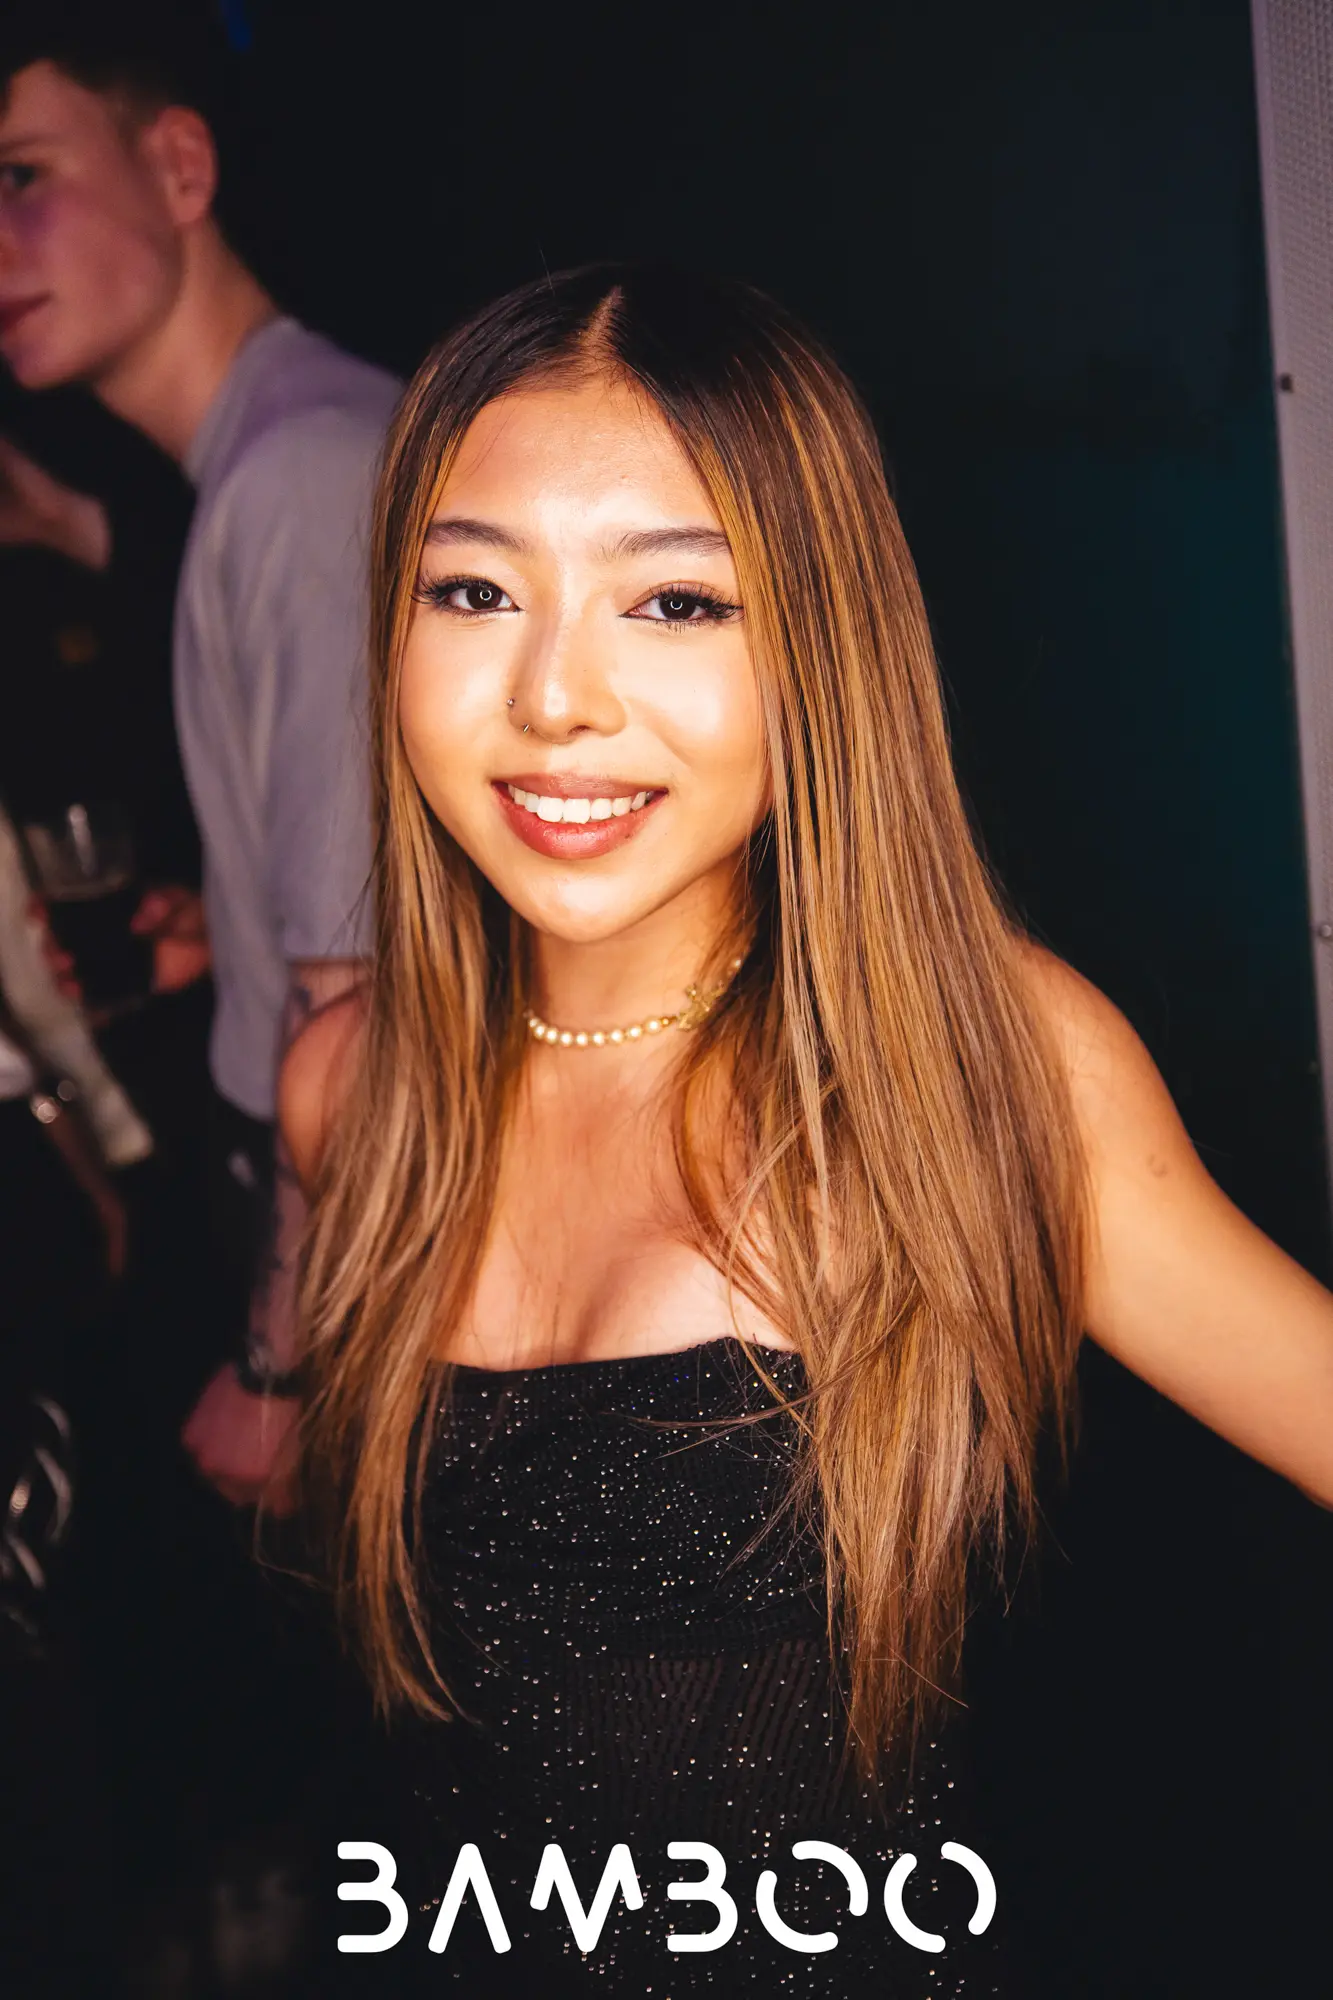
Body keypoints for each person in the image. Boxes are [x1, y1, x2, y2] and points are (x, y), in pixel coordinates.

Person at [277, 266, 1333, 1993]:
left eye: (675, 604)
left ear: (818, 646)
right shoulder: (350, 1092)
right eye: (473, 590)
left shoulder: (969, 1070)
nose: (556, 698)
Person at [0, 6, 400, 1501]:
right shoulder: (268, 453)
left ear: (179, 166)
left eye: (21, 176)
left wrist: (283, 1368)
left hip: (343, 1233)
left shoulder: (299, 478)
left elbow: (355, 1000)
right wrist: (231, 928)